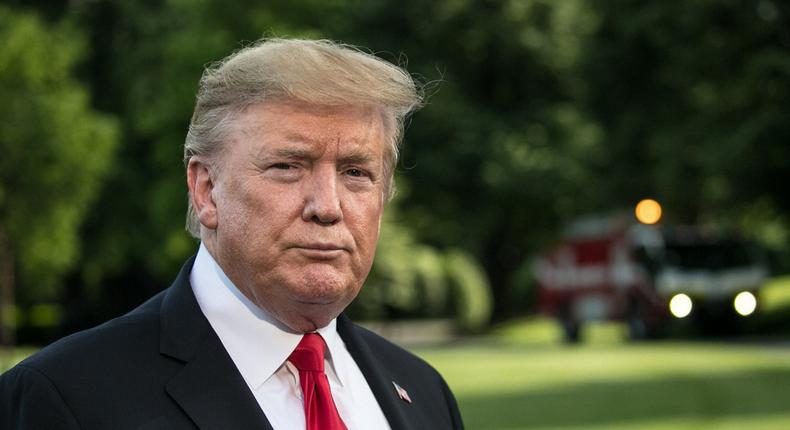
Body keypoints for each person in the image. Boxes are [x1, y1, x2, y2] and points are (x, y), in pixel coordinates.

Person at [0, 38, 464, 429]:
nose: (327, 206)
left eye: (356, 172)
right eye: (287, 166)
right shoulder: (66, 398)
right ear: (206, 191)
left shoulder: (426, 395)